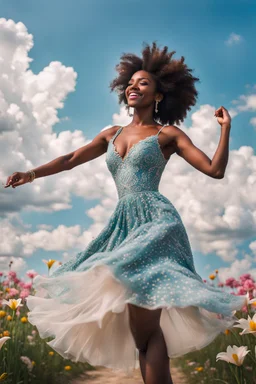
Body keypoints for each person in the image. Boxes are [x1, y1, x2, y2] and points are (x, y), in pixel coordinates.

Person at [4, 42, 247, 384]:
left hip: (156, 223)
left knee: (146, 329)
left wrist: (225, 129)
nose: (134, 86)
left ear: (159, 95)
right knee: (141, 331)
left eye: (143, 83)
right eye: (130, 82)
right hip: (123, 224)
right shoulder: (111, 133)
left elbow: (214, 170)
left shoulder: (168, 134)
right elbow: (71, 159)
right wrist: (31, 174)